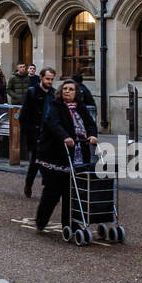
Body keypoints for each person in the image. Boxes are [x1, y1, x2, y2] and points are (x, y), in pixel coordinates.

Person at [33, 80, 98, 235]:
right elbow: (53, 124)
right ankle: (41, 221)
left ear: (76, 93)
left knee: (72, 192)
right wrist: (65, 137)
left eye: (71, 89)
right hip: (53, 156)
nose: (67, 91)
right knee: (53, 191)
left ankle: (70, 224)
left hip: (76, 155)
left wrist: (92, 135)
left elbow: (90, 124)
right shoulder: (55, 107)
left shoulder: (81, 108)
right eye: (65, 89)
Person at [21, 68, 56, 197]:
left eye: (52, 79)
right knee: (36, 162)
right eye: (48, 79)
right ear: (41, 77)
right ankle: (29, 183)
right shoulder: (32, 92)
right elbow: (24, 116)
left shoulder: (54, 93)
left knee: (49, 163)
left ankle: (50, 189)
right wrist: (29, 133)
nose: (50, 82)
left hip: (50, 135)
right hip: (35, 134)